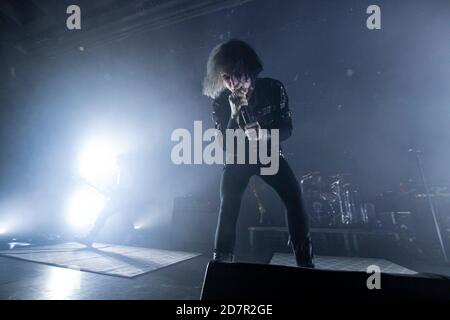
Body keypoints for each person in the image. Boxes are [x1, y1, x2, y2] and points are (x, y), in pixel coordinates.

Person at [203, 39, 314, 268]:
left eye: (237, 74)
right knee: (229, 204)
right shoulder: (221, 102)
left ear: (249, 70)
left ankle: (305, 261)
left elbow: (287, 128)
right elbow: (225, 143)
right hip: (237, 159)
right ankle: (221, 262)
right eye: (226, 77)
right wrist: (234, 115)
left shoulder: (273, 88)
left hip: (269, 155)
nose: (233, 83)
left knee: (294, 198)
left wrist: (263, 136)